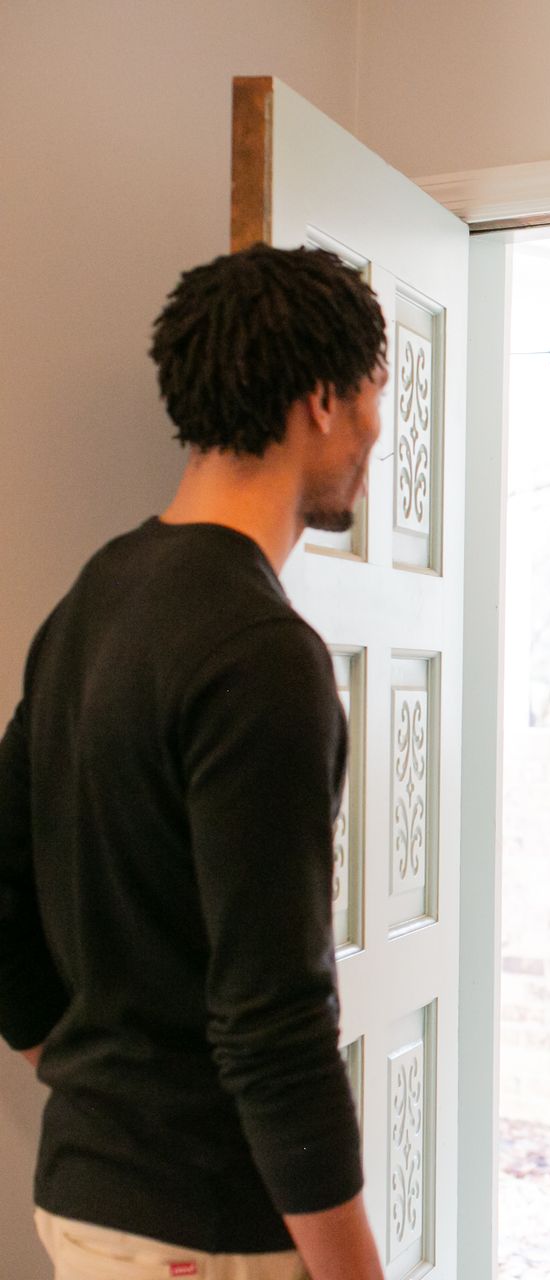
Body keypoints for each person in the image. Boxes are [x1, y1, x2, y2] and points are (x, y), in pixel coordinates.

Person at [0, 244, 389, 1280]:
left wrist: (93, 1082)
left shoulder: (96, 594)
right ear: (320, 401)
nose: (375, 436)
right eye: (371, 400)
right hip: (202, 1232)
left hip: (86, 1208)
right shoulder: (261, 653)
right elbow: (274, 1019)